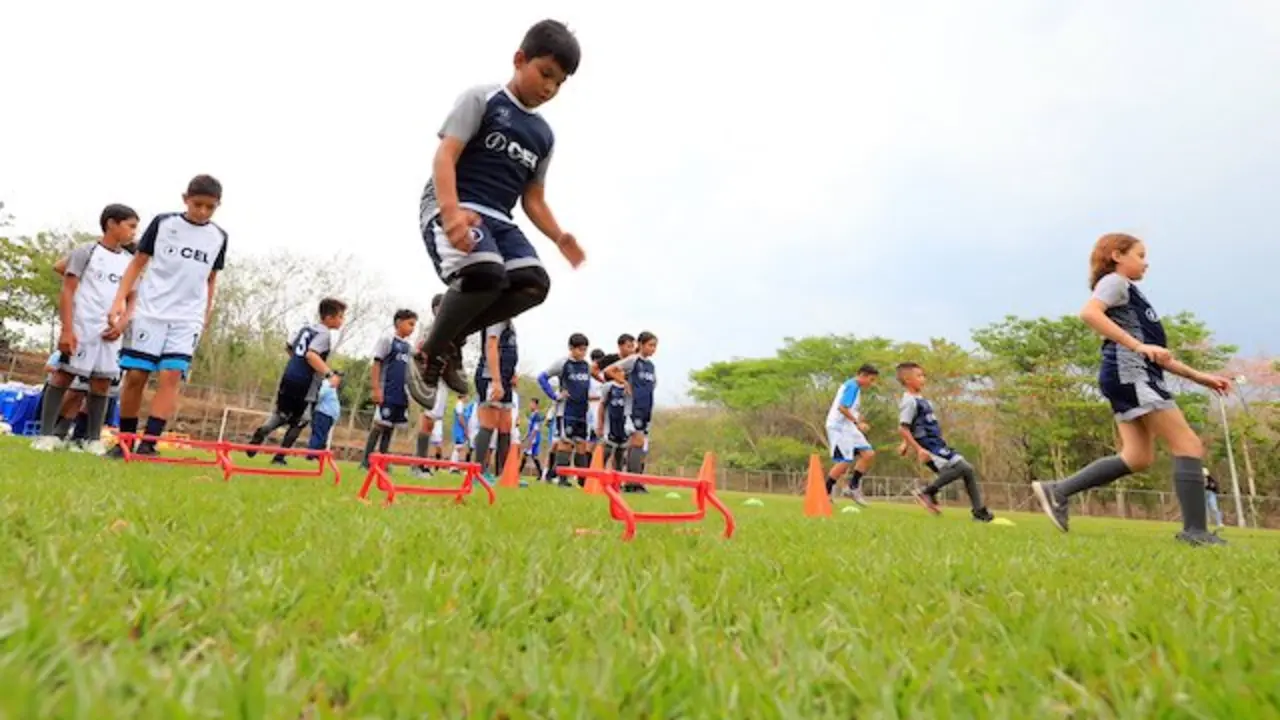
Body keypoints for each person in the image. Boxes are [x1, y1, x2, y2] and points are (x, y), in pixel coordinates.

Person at [408, 19, 585, 411]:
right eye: (545, 74)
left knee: (532, 283)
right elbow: (445, 155)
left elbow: (533, 199)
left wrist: (559, 236)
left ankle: (445, 339)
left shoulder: (543, 136)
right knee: (487, 273)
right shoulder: (482, 99)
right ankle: (428, 355)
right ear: (520, 60)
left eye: (559, 83)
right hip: (452, 202)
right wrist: (451, 212)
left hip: (500, 219)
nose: (549, 88)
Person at [1031, 233, 1230, 545]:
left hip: (1128, 374)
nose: (1145, 262)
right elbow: (1089, 313)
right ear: (1117, 256)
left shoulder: (1131, 295)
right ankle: (1196, 532)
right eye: (1139, 254)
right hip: (1131, 374)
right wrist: (1137, 345)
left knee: (1137, 458)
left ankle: (1059, 490)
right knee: (1188, 444)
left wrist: (1200, 377)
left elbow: (1157, 355)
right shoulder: (1115, 282)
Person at [108, 175, 228, 458]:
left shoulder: (219, 237)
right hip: (151, 310)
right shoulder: (163, 223)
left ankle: (150, 443)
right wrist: (119, 300)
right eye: (197, 204)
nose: (202, 212)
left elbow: (211, 278)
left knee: (171, 375)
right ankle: (125, 440)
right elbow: (138, 262)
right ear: (185, 198)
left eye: (209, 207)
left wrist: (206, 313)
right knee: (137, 374)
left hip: (187, 317)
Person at [33, 204, 139, 455]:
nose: (134, 232)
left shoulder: (130, 261)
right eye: (130, 226)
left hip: (110, 332)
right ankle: (46, 436)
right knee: (63, 376)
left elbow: (134, 298)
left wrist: (122, 324)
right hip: (83, 326)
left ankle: (92, 439)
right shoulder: (86, 252)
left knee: (102, 383)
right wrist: (67, 329)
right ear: (111, 224)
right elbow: (68, 290)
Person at [249, 298, 346, 464]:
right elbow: (311, 355)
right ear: (329, 318)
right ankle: (279, 457)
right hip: (305, 384)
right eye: (340, 316)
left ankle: (264, 430)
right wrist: (329, 374)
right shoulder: (324, 334)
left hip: (288, 376)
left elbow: (289, 346)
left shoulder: (306, 329)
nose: (342, 320)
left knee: (282, 413)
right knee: (301, 421)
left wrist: (297, 363)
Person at [896, 362, 995, 523]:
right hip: (929, 447)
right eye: (919, 376)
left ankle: (978, 511)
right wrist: (919, 449)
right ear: (908, 380)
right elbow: (903, 427)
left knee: (967, 470)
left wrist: (905, 444)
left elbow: (912, 425)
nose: (923, 379)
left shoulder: (921, 399)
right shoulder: (909, 401)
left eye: (924, 375)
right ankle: (927, 492)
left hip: (937, 444)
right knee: (964, 467)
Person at [362, 309, 418, 468]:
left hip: (401, 395)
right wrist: (376, 389)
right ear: (399, 322)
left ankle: (382, 461)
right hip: (387, 392)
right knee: (379, 425)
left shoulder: (409, 347)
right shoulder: (387, 340)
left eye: (414, 325)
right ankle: (366, 460)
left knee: (390, 428)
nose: (412, 328)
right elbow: (377, 363)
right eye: (410, 324)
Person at [604, 331, 659, 487]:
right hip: (632, 408)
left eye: (655, 346)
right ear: (641, 345)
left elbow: (653, 384)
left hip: (646, 407)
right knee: (636, 441)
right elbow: (609, 370)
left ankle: (630, 481)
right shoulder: (633, 360)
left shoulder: (651, 366)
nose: (653, 349)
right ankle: (632, 483)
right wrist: (624, 382)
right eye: (650, 345)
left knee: (638, 444)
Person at [539, 333, 592, 487]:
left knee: (581, 444)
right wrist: (555, 395)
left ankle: (584, 480)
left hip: (582, 411)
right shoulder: (563, 363)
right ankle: (562, 479)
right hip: (566, 410)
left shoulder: (586, 366)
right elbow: (542, 377)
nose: (582, 353)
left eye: (585, 350)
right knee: (566, 443)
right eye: (580, 350)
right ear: (571, 348)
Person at [824, 364, 880, 506]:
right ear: (862, 375)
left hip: (849, 427)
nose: (872, 384)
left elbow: (851, 409)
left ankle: (852, 487)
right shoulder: (852, 386)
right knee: (844, 461)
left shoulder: (856, 388)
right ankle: (825, 491)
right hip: (839, 427)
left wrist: (860, 421)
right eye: (871, 380)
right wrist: (857, 423)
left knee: (868, 453)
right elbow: (842, 408)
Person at [473, 319, 519, 480]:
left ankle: (504, 475)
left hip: (506, 379)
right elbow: (491, 346)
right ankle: (477, 472)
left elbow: (508, 350)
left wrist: (512, 373)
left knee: (506, 425)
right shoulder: (496, 319)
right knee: (488, 423)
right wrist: (496, 380)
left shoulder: (510, 324)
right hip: (490, 377)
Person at [307, 371, 343, 459]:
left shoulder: (332, 387)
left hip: (328, 416)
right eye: (337, 377)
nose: (338, 380)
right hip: (322, 414)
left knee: (323, 436)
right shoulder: (326, 384)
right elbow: (320, 396)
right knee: (318, 435)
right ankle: (311, 455)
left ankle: (317, 455)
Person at [520, 397, 545, 480]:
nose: (530, 405)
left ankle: (518, 472)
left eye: (532, 403)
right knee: (534, 456)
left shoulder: (537, 415)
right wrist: (525, 437)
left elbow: (535, 429)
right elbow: (530, 428)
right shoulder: (532, 415)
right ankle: (541, 474)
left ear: (536, 405)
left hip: (534, 439)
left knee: (526, 455)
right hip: (531, 438)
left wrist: (530, 440)